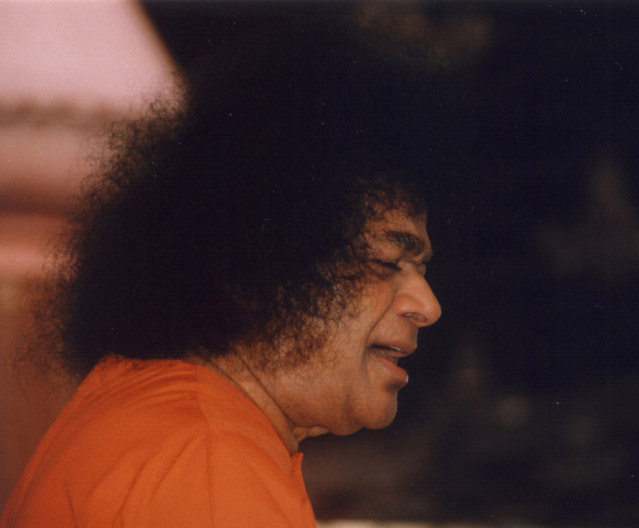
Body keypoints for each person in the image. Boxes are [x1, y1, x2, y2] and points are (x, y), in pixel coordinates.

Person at [1, 10, 452, 527]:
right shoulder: (207, 461)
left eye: (421, 268)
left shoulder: (164, 419)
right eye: (388, 262)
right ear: (262, 267)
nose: (428, 306)